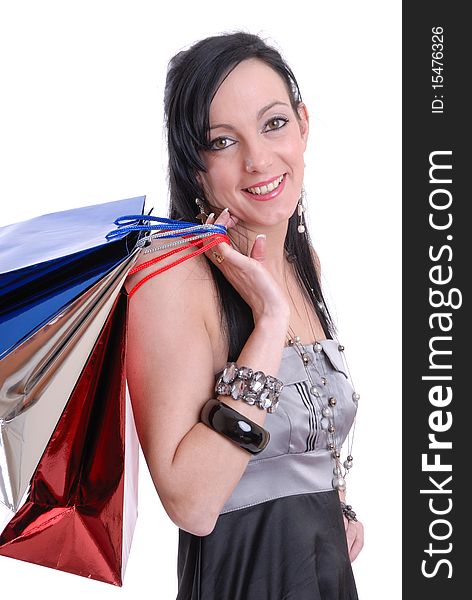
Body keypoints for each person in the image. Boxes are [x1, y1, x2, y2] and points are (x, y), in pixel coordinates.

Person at [124, 31, 364, 599]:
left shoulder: (305, 263)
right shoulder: (170, 278)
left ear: (304, 124)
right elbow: (192, 503)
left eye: (274, 123)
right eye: (223, 141)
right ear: (195, 166)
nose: (258, 159)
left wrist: (334, 513)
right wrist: (268, 323)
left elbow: (307, 437)